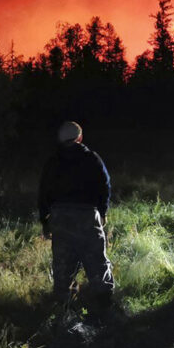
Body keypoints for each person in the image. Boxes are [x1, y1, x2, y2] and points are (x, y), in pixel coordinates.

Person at [38, 121, 114, 308]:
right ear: (80, 138)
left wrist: (45, 220)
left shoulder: (53, 162)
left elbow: (43, 191)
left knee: (63, 262)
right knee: (96, 259)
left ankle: (64, 305)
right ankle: (104, 303)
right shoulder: (92, 158)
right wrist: (102, 211)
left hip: (60, 216)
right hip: (88, 214)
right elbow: (105, 185)